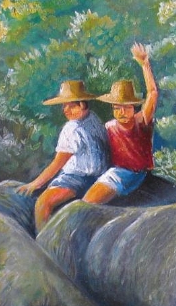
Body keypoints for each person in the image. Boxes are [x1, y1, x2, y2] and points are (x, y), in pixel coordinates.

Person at [19, 80, 109, 229]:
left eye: (70, 105)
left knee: (42, 204)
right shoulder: (93, 119)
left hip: (77, 179)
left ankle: (43, 238)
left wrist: (35, 183)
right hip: (99, 176)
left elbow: (57, 163)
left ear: (82, 104)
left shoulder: (72, 128)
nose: (65, 110)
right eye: (64, 105)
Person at [84, 43, 160, 205]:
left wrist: (145, 64)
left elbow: (153, 93)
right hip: (118, 172)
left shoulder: (141, 120)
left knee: (87, 202)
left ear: (134, 107)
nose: (122, 112)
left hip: (130, 174)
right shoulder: (109, 127)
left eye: (126, 107)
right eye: (117, 108)